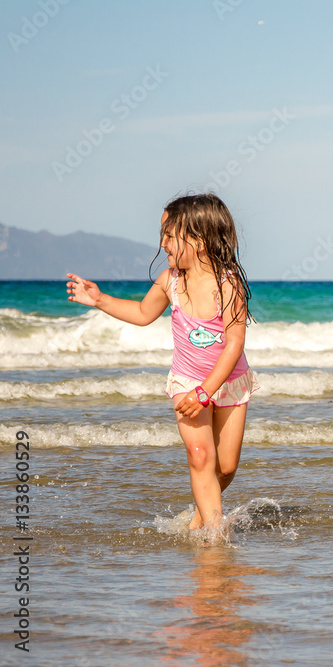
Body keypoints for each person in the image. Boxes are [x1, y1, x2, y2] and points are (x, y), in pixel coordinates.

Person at [67, 193, 259, 534]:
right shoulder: (170, 280)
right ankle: (216, 537)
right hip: (187, 382)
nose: (163, 243)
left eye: (169, 235)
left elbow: (235, 345)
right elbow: (142, 313)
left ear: (198, 240)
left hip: (227, 381)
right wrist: (99, 300)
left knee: (225, 467)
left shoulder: (228, 286)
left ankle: (199, 519)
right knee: (201, 456)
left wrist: (207, 391)